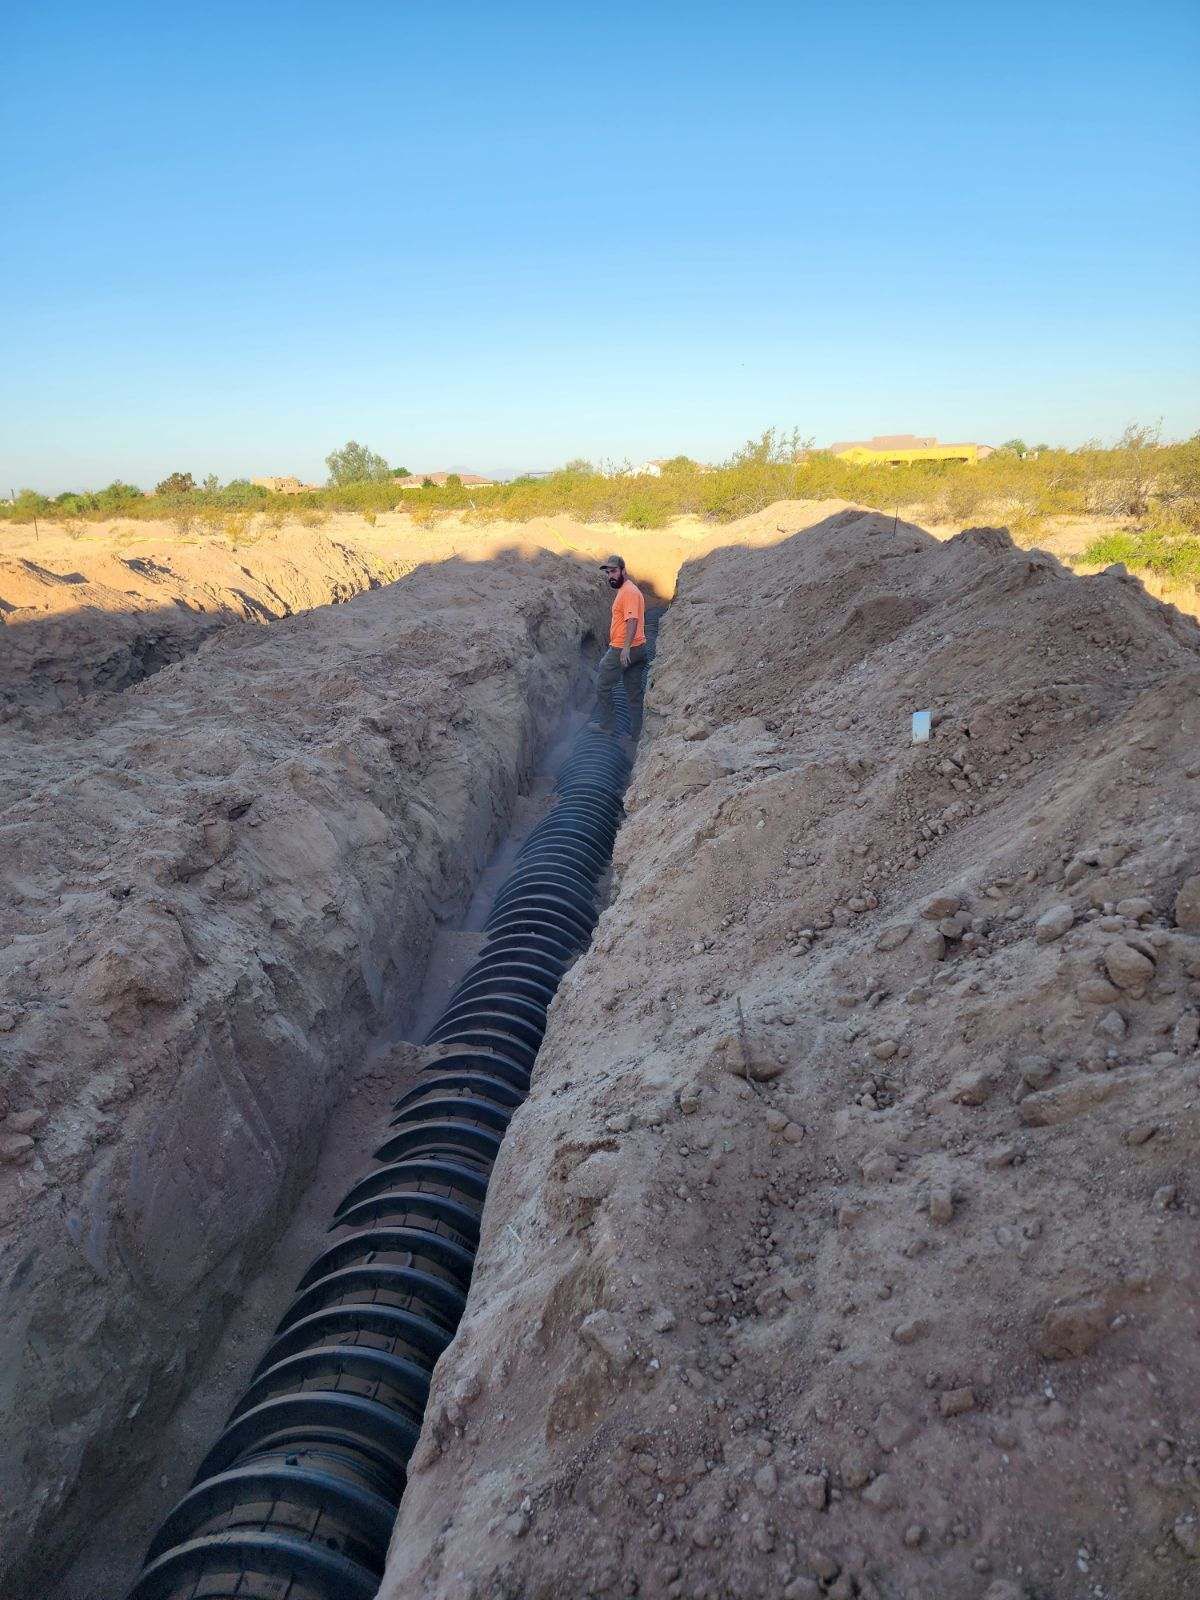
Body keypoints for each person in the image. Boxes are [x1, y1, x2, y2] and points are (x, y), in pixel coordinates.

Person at [591, 554, 647, 741]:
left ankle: (607, 726)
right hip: (638, 648)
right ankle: (638, 735)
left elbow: (632, 620)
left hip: (622, 649)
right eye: (608, 573)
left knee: (602, 685)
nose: (610, 576)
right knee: (634, 693)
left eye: (613, 571)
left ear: (624, 570)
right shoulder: (626, 590)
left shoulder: (628, 592)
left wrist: (625, 648)